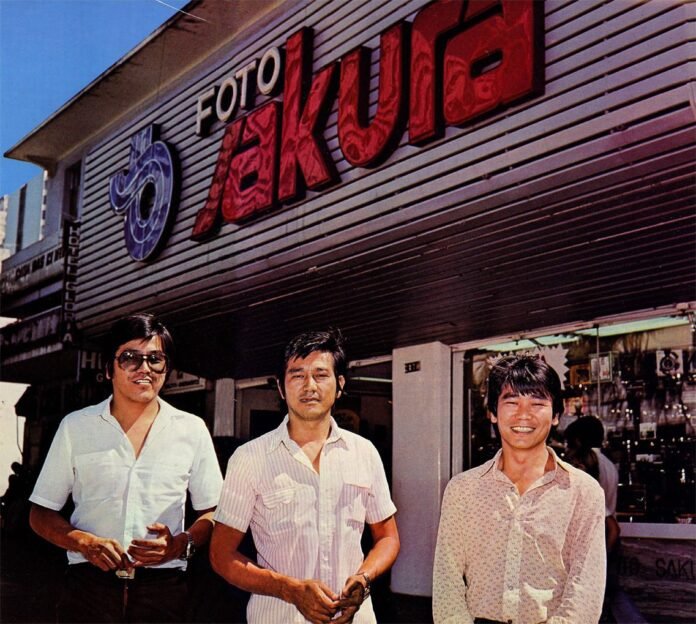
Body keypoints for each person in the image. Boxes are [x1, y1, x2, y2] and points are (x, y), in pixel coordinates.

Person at [29, 313, 223, 623]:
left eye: (155, 359)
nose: (144, 368)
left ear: (166, 369)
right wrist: (83, 542)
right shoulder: (76, 427)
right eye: (130, 358)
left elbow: (213, 512)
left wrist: (179, 545)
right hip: (88, 590)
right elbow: (40, 514)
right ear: (109, 368)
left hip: (163, 592)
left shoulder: (192, 429)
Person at [210, 329, 400, 624]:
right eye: (297, 375)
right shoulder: (250, 458)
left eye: (320, 375)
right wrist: (289, 589)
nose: (309, 386)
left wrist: (364, 578)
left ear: (340, 385)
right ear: (281, 387)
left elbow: (388, 538)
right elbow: (221, 555)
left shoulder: (364, 453)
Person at [433, 355, 606, 624]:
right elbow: (447, 583)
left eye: (537, 403)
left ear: (556, 415)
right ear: (492, 412)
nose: (523, 414)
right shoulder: (462, 490)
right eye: (511, 402)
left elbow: (585, 592)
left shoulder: (583, 492)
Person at [564, 416, 619, 517]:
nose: (567, 449)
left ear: (577, 441)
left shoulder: (582, 463)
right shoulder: (610, 465)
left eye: (569, 443)